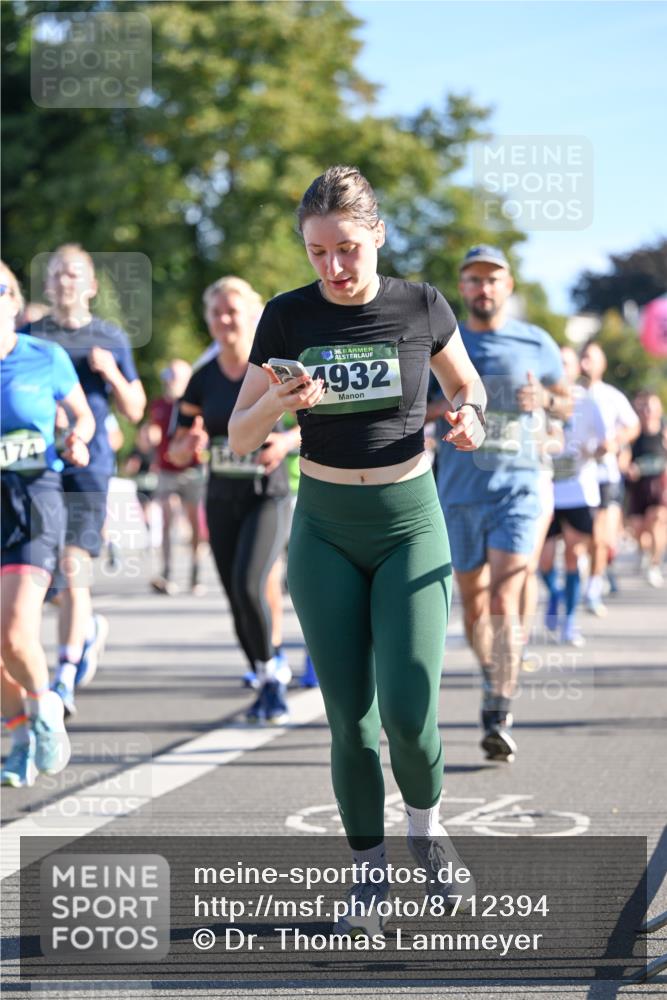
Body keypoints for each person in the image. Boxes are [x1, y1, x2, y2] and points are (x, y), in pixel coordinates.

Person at [229, 165, 486, 936]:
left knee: (409, 712)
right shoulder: (284, 316)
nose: (334, 268)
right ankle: (366, 874)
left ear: (375, 235)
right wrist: (278, 400)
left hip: (409, 519)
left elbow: (468, 389)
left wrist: (470, 418)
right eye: (317, 253)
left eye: (346, 248)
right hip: (325, 526)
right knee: (351, 719)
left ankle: (428, 830)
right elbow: (240, 437)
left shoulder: (421, 304)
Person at [430, 245, 570, 764]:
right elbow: (418, 406)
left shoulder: (536, 341)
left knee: (508, 594)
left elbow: (567, 399)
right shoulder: (444, 341)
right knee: (474, 601)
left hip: (519, 486)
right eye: (473, 280)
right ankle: (494, 674)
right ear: (463, 287)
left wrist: (547, 403)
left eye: (492, 279)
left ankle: (499, 706)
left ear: (508, 286)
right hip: (460, 492)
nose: (483, 289)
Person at [21, 244, 146, 716]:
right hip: (32, 468)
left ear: (91, 286)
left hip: (88, 466)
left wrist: (111, 372)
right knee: (37, 577)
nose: (64, 281)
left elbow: (134, 408)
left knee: (73, 569)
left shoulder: (109, 337)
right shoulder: (28, 335)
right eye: (56, 274)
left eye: (74, 274)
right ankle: (87, 628)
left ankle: (66, 675)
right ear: (48, 285)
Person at [169, 276, 297, 720]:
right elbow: (177, 445)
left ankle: (274, 675)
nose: (225, 319)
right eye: (217, 312)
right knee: (234, 595)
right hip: (221, 496)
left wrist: (285, 443)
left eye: (233, 310)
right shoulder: (203, 378)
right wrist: (187, 448)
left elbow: (315, 418)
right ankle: (265, 672)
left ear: (252, 315)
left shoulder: (274, 367)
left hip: (268, 494)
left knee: (250, 584)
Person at [1, 260, 95, 787]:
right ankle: (19, 735)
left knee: (15, 633)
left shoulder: (45, 356)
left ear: (13, 301)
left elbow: (81, 414)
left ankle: (45, 710)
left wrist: (77, 436)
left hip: (33, 496)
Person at [538, 347, 606, 646]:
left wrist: (599, 450)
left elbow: (606, 440)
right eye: (557, 363)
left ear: (576, 367)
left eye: (566, 363)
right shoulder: (541, 398)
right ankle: (555, 595)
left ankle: (570, 622)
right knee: (543, 559)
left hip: (578, 489)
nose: (561, 368)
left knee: (573, 556)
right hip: (546, 489)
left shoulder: (588, 401)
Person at [579, 341, 640, 611]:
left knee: (601, 535)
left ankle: (593, 588)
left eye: (591, 358)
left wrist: (616, 442)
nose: (585, 363)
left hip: (605, 475)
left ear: (602, 364)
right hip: (576, 477)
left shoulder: (611, 395)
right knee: (585, 538)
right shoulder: (570, 395)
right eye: (583, 357)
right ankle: (588, 575)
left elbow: (633, 426)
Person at [147, 360, 206, 596]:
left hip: (192, 470)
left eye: (174, 375)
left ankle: (195, 571)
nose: (169, 379)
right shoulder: (159, 404)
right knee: (166, 518)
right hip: (165, 470)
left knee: (194, 524)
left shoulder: (195, 404)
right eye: (167, 374)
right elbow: (154, 434)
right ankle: (167, 572)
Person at [625, 391, 667, 588]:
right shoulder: (633, 433)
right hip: (637, 487)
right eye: (644, 407)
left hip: (661, 485)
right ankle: (644, 552)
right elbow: (623, 459)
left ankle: (654, 564)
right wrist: (628, 468)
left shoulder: (664, 430)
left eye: (651, 407)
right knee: (640, 530)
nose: (647, 411)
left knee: (658, 520)